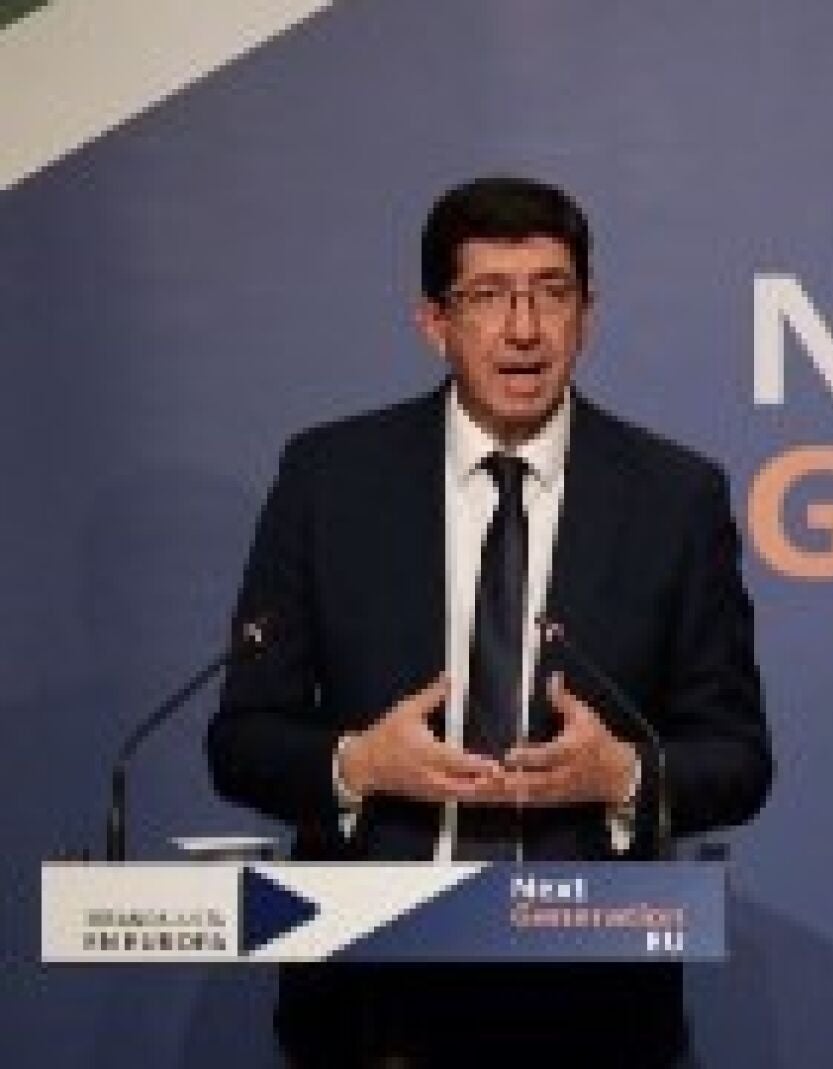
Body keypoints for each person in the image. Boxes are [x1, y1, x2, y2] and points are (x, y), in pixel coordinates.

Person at [208, 176, 772, 1066]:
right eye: (488, 296)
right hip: (372, 1001)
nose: (524, 328)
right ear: (434, 322)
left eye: (552, 292)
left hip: (592, 1005)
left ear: (587, 315)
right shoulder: (330, 480)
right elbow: (242, 737)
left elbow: (737, 756)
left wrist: (623, 774)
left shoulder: (674, 498)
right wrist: (359, 764)